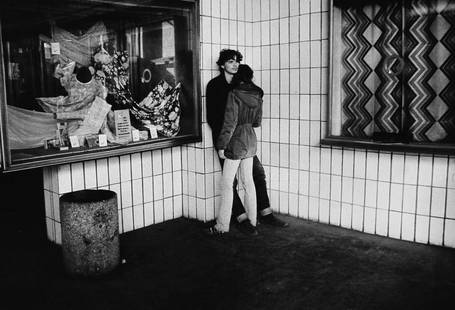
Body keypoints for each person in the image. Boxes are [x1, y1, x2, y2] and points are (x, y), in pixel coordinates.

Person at [206, 49, 288, 235]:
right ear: (222, 65)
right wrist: (222, 143)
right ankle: (245, 219)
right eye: (230, 61)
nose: (234, 64)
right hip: (234, 139)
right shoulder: (216, 86)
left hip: (235, 140)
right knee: (239, 181)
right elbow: (214, 119)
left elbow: (232, 119)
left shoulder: (238, 89)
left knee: (253, 175)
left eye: (237, 62)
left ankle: (260, 215)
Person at [206, 64, 262, 234]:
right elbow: (257, 122)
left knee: (226, 183)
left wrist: (221, 145)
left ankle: (222, 226)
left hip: (236, 141)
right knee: (249, 182)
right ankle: (252, 221)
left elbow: (229, 123)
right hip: (251, 139)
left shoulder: (234, 93)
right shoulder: (258, 93)